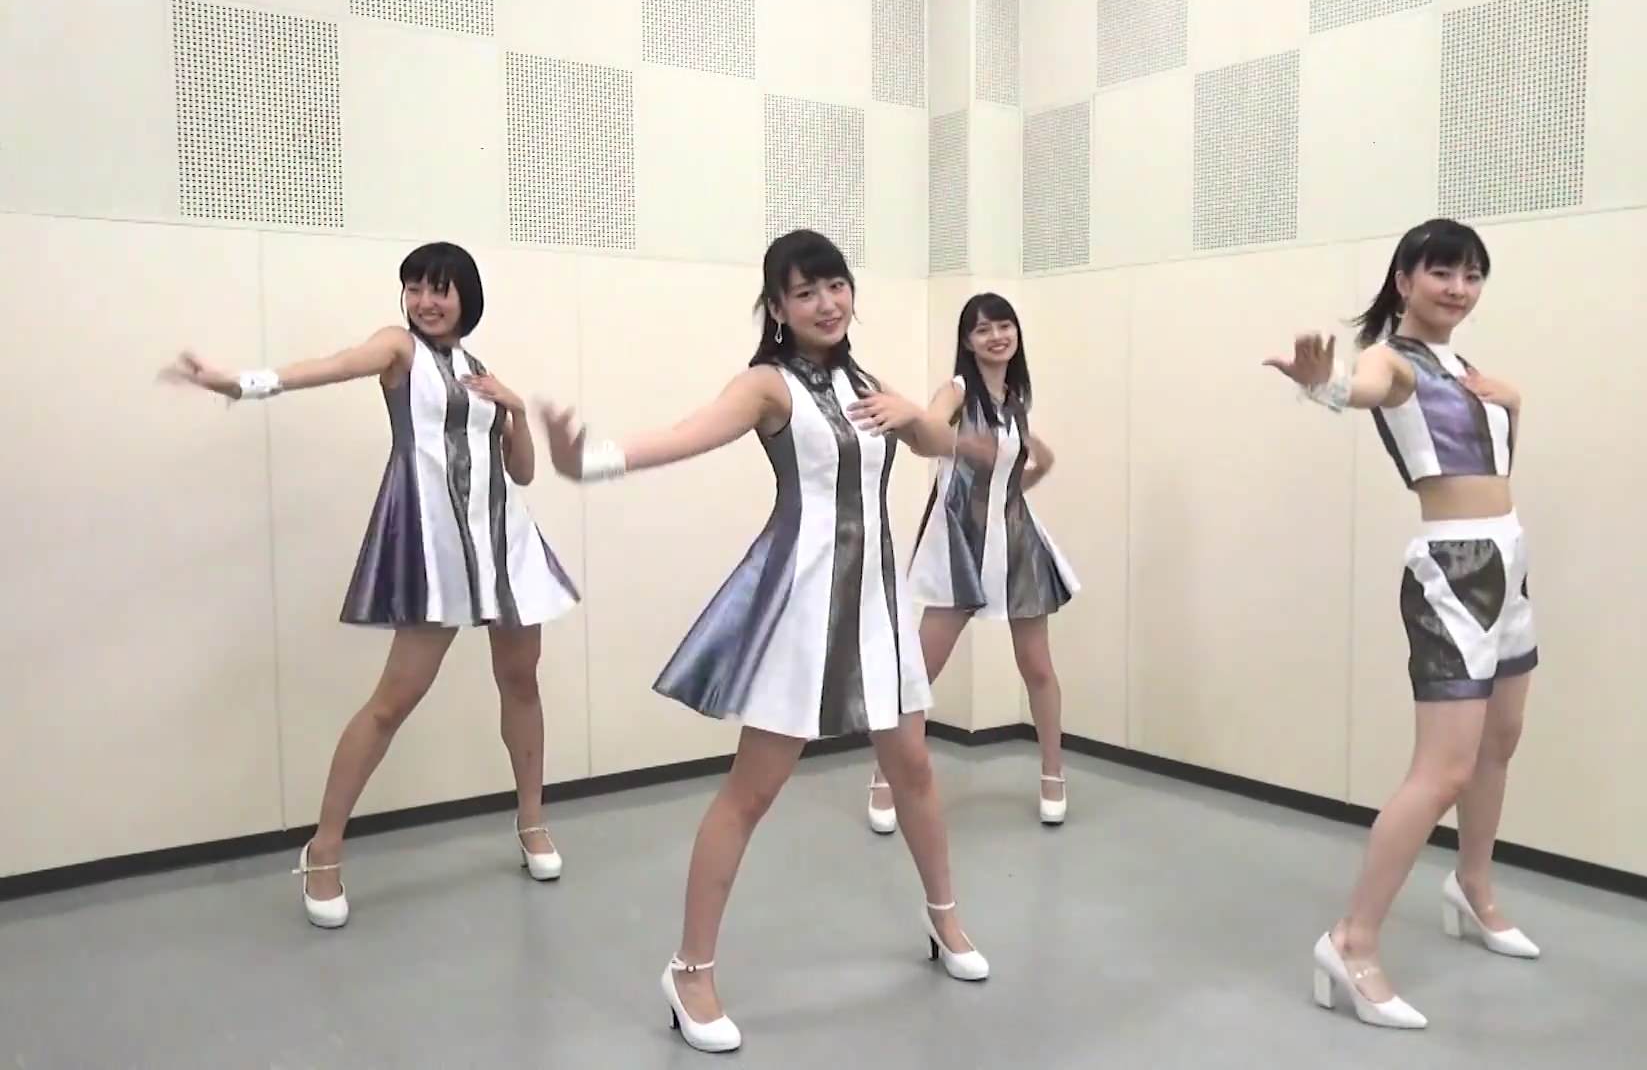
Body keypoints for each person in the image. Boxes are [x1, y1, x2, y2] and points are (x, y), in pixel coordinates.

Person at [537, 229, 988, 1055]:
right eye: (805, 291)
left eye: (836, 286)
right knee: (752, 793)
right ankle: (690, 972)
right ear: (777, 306)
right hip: (801, 610)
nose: (827, 303)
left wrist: (919, 418)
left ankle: (945, 920)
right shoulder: (767, 385)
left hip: (877, 607)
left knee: (915, 770)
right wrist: (590, 460)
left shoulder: (864, 382)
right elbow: (687, 434)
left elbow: (929, 443)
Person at [159, 241, 579, 930]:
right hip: (436, 545)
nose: (425, 301)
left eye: (439, 288)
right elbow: (333, 366)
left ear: (465, 297)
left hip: (504, 540)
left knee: (521, 681)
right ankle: (323, 849)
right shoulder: (398, 349)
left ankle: (532, 822)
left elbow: (524, 472)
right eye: (414, 288)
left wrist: (517, 410)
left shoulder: (479, 371)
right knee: (393, 701)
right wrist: (243, 383)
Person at [1264, 218, 1540, 1030]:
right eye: (1442, 273)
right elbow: (1360, 388)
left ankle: (1474, 886)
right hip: (1452, 571)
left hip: (1510, 558)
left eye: (1472, 275)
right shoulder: (1394, 360)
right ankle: (1351, 942)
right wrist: (1321, 384)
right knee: (1443, 771)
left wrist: (1515, 403)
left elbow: (1494, 463)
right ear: (1404, 281)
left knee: (1500, 742)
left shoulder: (1467, 368)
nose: (1458, 289)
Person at [865, 292, 1079, 833]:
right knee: (920, 670)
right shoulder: (958, 390)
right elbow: (927, 434)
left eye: (1004, 325)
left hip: (1016, 541)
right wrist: (955, 439)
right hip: (959, 543)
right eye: (983, 329)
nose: (996, 336)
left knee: (1038, 667)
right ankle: (886, 775)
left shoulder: (1014, 399)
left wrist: (1025, 475)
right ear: (967, 340)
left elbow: (1024, 466)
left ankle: (1053, 774)